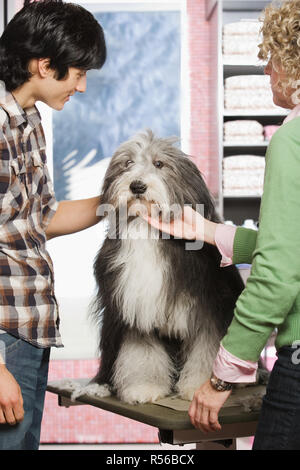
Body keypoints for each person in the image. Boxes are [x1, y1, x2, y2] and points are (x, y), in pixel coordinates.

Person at [144, 0, 300, 450]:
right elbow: (290, 245)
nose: (266, 70)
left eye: (270, 58)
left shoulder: (292, 140)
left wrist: (221, 376)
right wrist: (209, 231)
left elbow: (278, 275)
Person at [0, 0, 106, 450]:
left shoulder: (29, 121)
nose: (81, 87)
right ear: (45, 65)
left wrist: (123, 201)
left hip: (31, 330)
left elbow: (41, 218)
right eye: (78, 73)